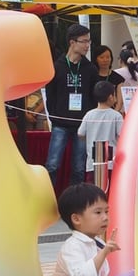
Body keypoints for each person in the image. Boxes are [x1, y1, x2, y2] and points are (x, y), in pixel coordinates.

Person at [44, 24, 97, 189]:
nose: (87, 45)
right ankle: (48, 201)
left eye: (89, 41)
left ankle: (75, 203)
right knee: (52, 165)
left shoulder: (90, 69)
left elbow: (92, 95)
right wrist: (54, 116)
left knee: (79, 167)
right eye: (84, 41)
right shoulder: (56, 66)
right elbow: (50, 94)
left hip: (81, 125)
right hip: (60, 123)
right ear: (72, 42)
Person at [78, 81, 124, 189]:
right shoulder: (116, 116)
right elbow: (122, 135)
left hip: (92, 163)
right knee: (109, 190)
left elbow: (80, 133)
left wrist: (89, 138)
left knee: (94, 192)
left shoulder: (89, 114)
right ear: (110, 97)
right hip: (110, 163)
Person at [114, 46, 138, 115]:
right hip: (135, 108)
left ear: (120, 60)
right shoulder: (137, 75)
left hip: (121, 110)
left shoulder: (116, 73)